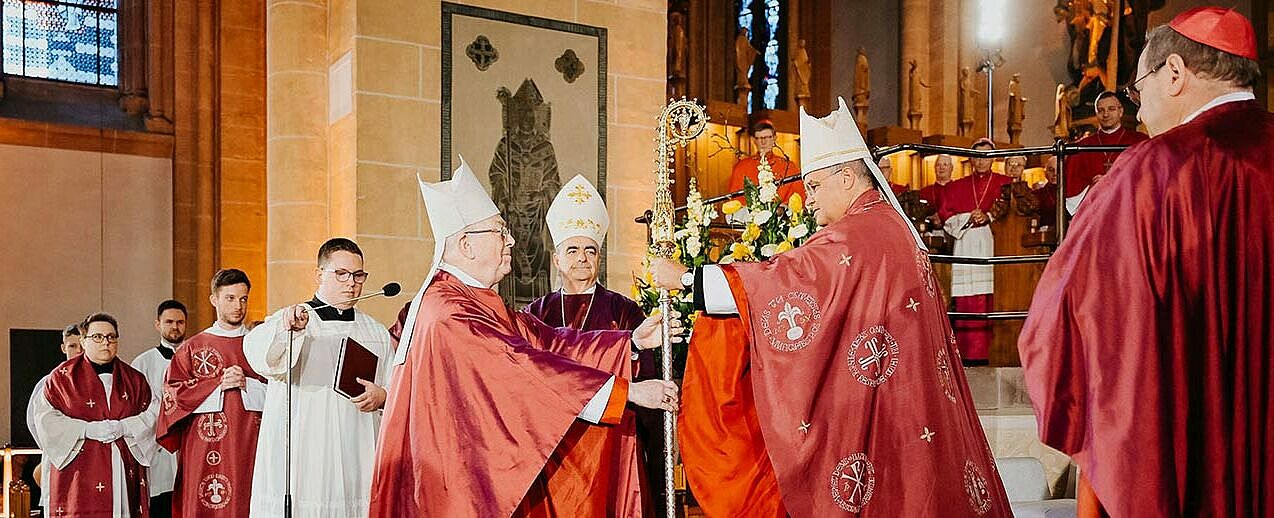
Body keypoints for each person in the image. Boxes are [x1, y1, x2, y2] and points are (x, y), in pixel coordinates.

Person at [650, 98, 1009, 517]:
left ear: (846, 177)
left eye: (816, 186)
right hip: (907, 409)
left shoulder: (855, 236)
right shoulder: (889, 226)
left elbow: (785, 282)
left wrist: (687, 280)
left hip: (889, 409)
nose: (810, 198)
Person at [1019, 7, 1273, 516]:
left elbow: (1067, 319)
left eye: (1138, 91)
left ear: (1174, 73)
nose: (1137, 111)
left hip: (1187, 459)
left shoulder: (1150, 173)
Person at [368, 158, 681, 516]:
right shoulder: (448, 311)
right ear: (467, 245)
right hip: (453, 478)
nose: (512, 240)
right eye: (500, 231)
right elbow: (521, 365)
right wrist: (627, 391)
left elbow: (545, 341)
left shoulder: (471, 297)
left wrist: (630, 343)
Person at [522, 175, 651, 516]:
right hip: (554, 445)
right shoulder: (536, 313)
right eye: (573, 250)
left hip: (612, 441)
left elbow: (644, 376)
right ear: (557, 258)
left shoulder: (624, 310)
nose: (582, 258)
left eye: (590, 250)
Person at [243, 238, 393, 517]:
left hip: (356, 452)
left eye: (358, 275)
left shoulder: (375, 332)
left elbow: (396, 387)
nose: (352, 283)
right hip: (305, 454)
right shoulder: (292, 320)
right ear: (318, 274)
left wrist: (382, 396)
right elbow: (259, 355)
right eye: (341, 274)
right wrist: (290, 331)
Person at [157, 269, 266, 517]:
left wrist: (247, 384)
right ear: (214, 300)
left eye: (243, 298)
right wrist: (218, 384)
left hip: (251, 444)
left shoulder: (259, 345)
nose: (238, 306)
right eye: (230, 298)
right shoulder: (192, 348)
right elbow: (172, 397)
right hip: (205, 448)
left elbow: (282, 394)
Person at [33, 313, 160, 517]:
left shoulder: (135, 379)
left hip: (121, 468)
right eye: (98, 337)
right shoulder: (60, 379)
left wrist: (125, 427)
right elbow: (45, 420)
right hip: (77, 470)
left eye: (111, 337)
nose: (106, 342)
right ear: (83, 340)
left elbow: (154, 414)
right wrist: (86, 429)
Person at [937, 138, 1011, 364]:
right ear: (971, 159)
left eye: (986, 156)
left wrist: (988, 216)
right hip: (965, 242)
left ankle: (987, 352)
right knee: (966, 299)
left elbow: (1010, 211)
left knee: (986, 297)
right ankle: (965, 353)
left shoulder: (1005, 183)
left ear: (993, 159)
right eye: (978, 156)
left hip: (992, 243)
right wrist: (969, 216)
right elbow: (945, 215)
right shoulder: (956, 186)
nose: (982, 161)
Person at [130, 300, 188, 518]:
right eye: (169, 322)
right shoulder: (142, 363)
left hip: (188, 445)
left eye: (180, 322)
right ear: (158, 324)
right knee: (160, 505)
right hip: (157, 450)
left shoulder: (196, 357)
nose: (175, 327)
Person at [27, 323, 85, 516]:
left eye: (81, 345)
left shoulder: (102, 382)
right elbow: (35, 424)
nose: (78, 351)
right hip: (60, 458)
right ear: (63, 348)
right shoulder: (48, 383)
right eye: (72, 346)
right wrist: (57, 445)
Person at [1063, 91, 1148, 214]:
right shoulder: (1083, 147)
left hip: (1130, 210)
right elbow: (1073, 194)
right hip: (1095, 212)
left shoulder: (1139, 141)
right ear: (1096, 113)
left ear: (1120, 111)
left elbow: (1147, 178)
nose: (1106, 114)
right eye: (1101, 110)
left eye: (1111, 109)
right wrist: (1095, 187)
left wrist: (1113, 181)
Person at [727, 119, 803, 201]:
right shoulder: (741, 167)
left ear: (774, 138)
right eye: (759, 138)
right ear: (754, 140)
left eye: (767, 137)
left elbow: (799, 197)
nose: (763, 142)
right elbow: (735, 200)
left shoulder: (788, 166)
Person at [1032, 156, 1060, 229]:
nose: (1055, 173)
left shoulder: (1073, 193)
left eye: (1059, 170)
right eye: (1051, 170)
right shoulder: (1037, 194)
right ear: (1045, 173)